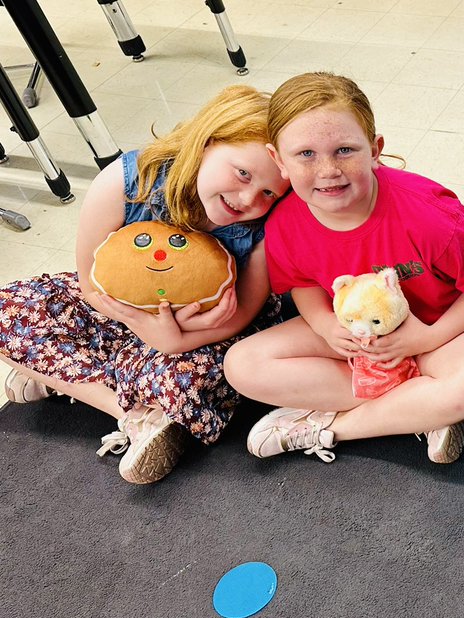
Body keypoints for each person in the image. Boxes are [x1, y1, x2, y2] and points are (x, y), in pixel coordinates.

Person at [0, 85, 289, 484]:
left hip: (206, 332)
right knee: (10, 311)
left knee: (206, 371)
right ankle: (133, 415)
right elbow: (90, 282)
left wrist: (179, 338)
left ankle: (68, 374)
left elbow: (240, 314)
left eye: (268, 192)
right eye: (242, 173)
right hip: (117, 309)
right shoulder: (126, 180)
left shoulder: (262, 228)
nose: (247, 198)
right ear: (205, 141)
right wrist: (149, 329)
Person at [224, 72, 464, 465]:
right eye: (305, 154)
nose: (327, 170)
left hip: (442, 325)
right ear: (278, 160)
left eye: (344, 150)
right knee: (242, 365)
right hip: (356, 335)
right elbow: (304, 284)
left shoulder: (429, 213)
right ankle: (422, 407)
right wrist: (326, 326)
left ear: (375, 150)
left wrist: (424, 340)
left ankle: (329, 428)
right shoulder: (285, 223)